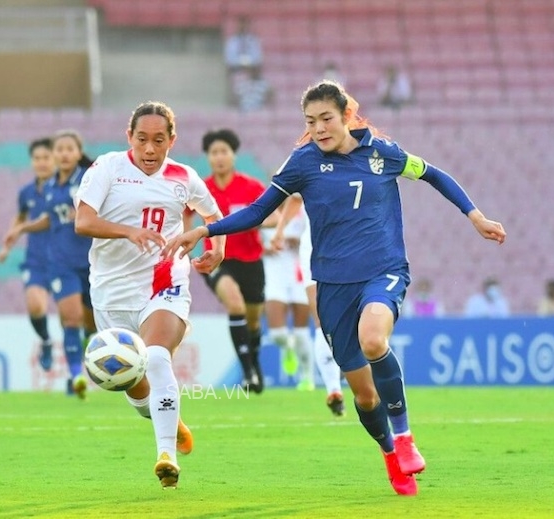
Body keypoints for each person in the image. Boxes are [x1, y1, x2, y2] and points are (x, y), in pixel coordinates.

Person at [163, 80, 507, 496]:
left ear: (346, 115)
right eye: (310, 121)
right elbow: (258, 211)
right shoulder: (302, 162)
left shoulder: (384, 153)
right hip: (332, 284)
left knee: (374, 341)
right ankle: (389, 455)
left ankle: (405, 437)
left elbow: (434, 174)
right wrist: (206, 229)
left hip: (384, 271)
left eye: (326, 118)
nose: (319, 128)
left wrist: (476, 216)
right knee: (363, 395)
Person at [74, 101, 225, 489]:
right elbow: (84, 221)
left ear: (172, 140)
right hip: (111, 292)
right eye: (142, 139)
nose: (150, 149)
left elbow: (214, 216)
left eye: (159, 140)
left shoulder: (184, 177)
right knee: (131, 379)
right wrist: (129, 232)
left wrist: (218, 246)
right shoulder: (107, 168)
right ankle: (171, 424)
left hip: (164, 281)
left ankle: (166, 457)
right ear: (130, 137)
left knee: (156, 357)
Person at [3, 130, 96, 397]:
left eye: (70, 149)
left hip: (90, 264)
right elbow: (50, 219)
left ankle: (88, 356)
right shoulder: (51, 187)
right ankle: (76, 376)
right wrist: (22, 229)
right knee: (70, 318)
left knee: (90, 324)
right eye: (60, 149)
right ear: (55, 155)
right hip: (61, 263)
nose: (65, 154)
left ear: (78, 153)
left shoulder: (88, 181)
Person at [186, 128, 277, 394]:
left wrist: (254, 222)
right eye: (214, 153)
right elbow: (184, 217)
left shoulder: (250, 186)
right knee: (234, 304)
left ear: (233, 155)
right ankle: (247, 371)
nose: (219, 157)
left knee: (252, 319)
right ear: (208, 157)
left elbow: (274, 215)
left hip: (251, 259)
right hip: (217, 259)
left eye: (224, 152)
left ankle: (254, 365)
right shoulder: (202, 189)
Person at [270, 195, 346, 416]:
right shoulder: (307, 162)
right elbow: (295, 197)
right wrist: (280, 230)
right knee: (322, 321)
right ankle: (334, 390)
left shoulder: (359, 162)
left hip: (350, 251)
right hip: (314, 252)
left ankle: (342, 363)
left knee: (348, 320)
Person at [0, 137, 56, 371]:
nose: (41, 163)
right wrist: (7, 245)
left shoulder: (66, 189)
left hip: (67, 259)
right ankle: (46, 340)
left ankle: (81, 357)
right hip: (37, 259)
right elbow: (21, 217)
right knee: (35, 305)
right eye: (37, 158)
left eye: (46, 158)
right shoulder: (27, 193)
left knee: (74, 317)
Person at [260, 204, 313, 390]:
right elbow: (251, 239)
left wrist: (298, 241)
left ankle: (307, 376)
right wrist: (263, 250)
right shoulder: (265, 209)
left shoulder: (304, 209)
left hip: (299, 273)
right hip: (274, 273)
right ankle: (288, 346)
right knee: (277, 335)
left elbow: (315, 235)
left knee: (301, 331)